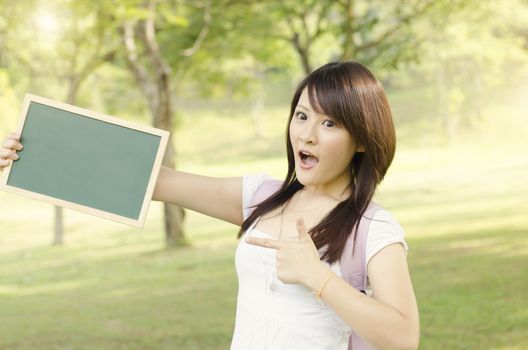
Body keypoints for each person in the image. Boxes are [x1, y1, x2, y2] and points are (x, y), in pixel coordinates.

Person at [0, 61, 419, 350]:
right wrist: (33, 152)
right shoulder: (261, 198)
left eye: (329, 124)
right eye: (302, 116)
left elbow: (403, 336)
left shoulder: (374, 229)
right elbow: (156, 180)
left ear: (362, 140)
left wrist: (318, 278)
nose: (306, 134)